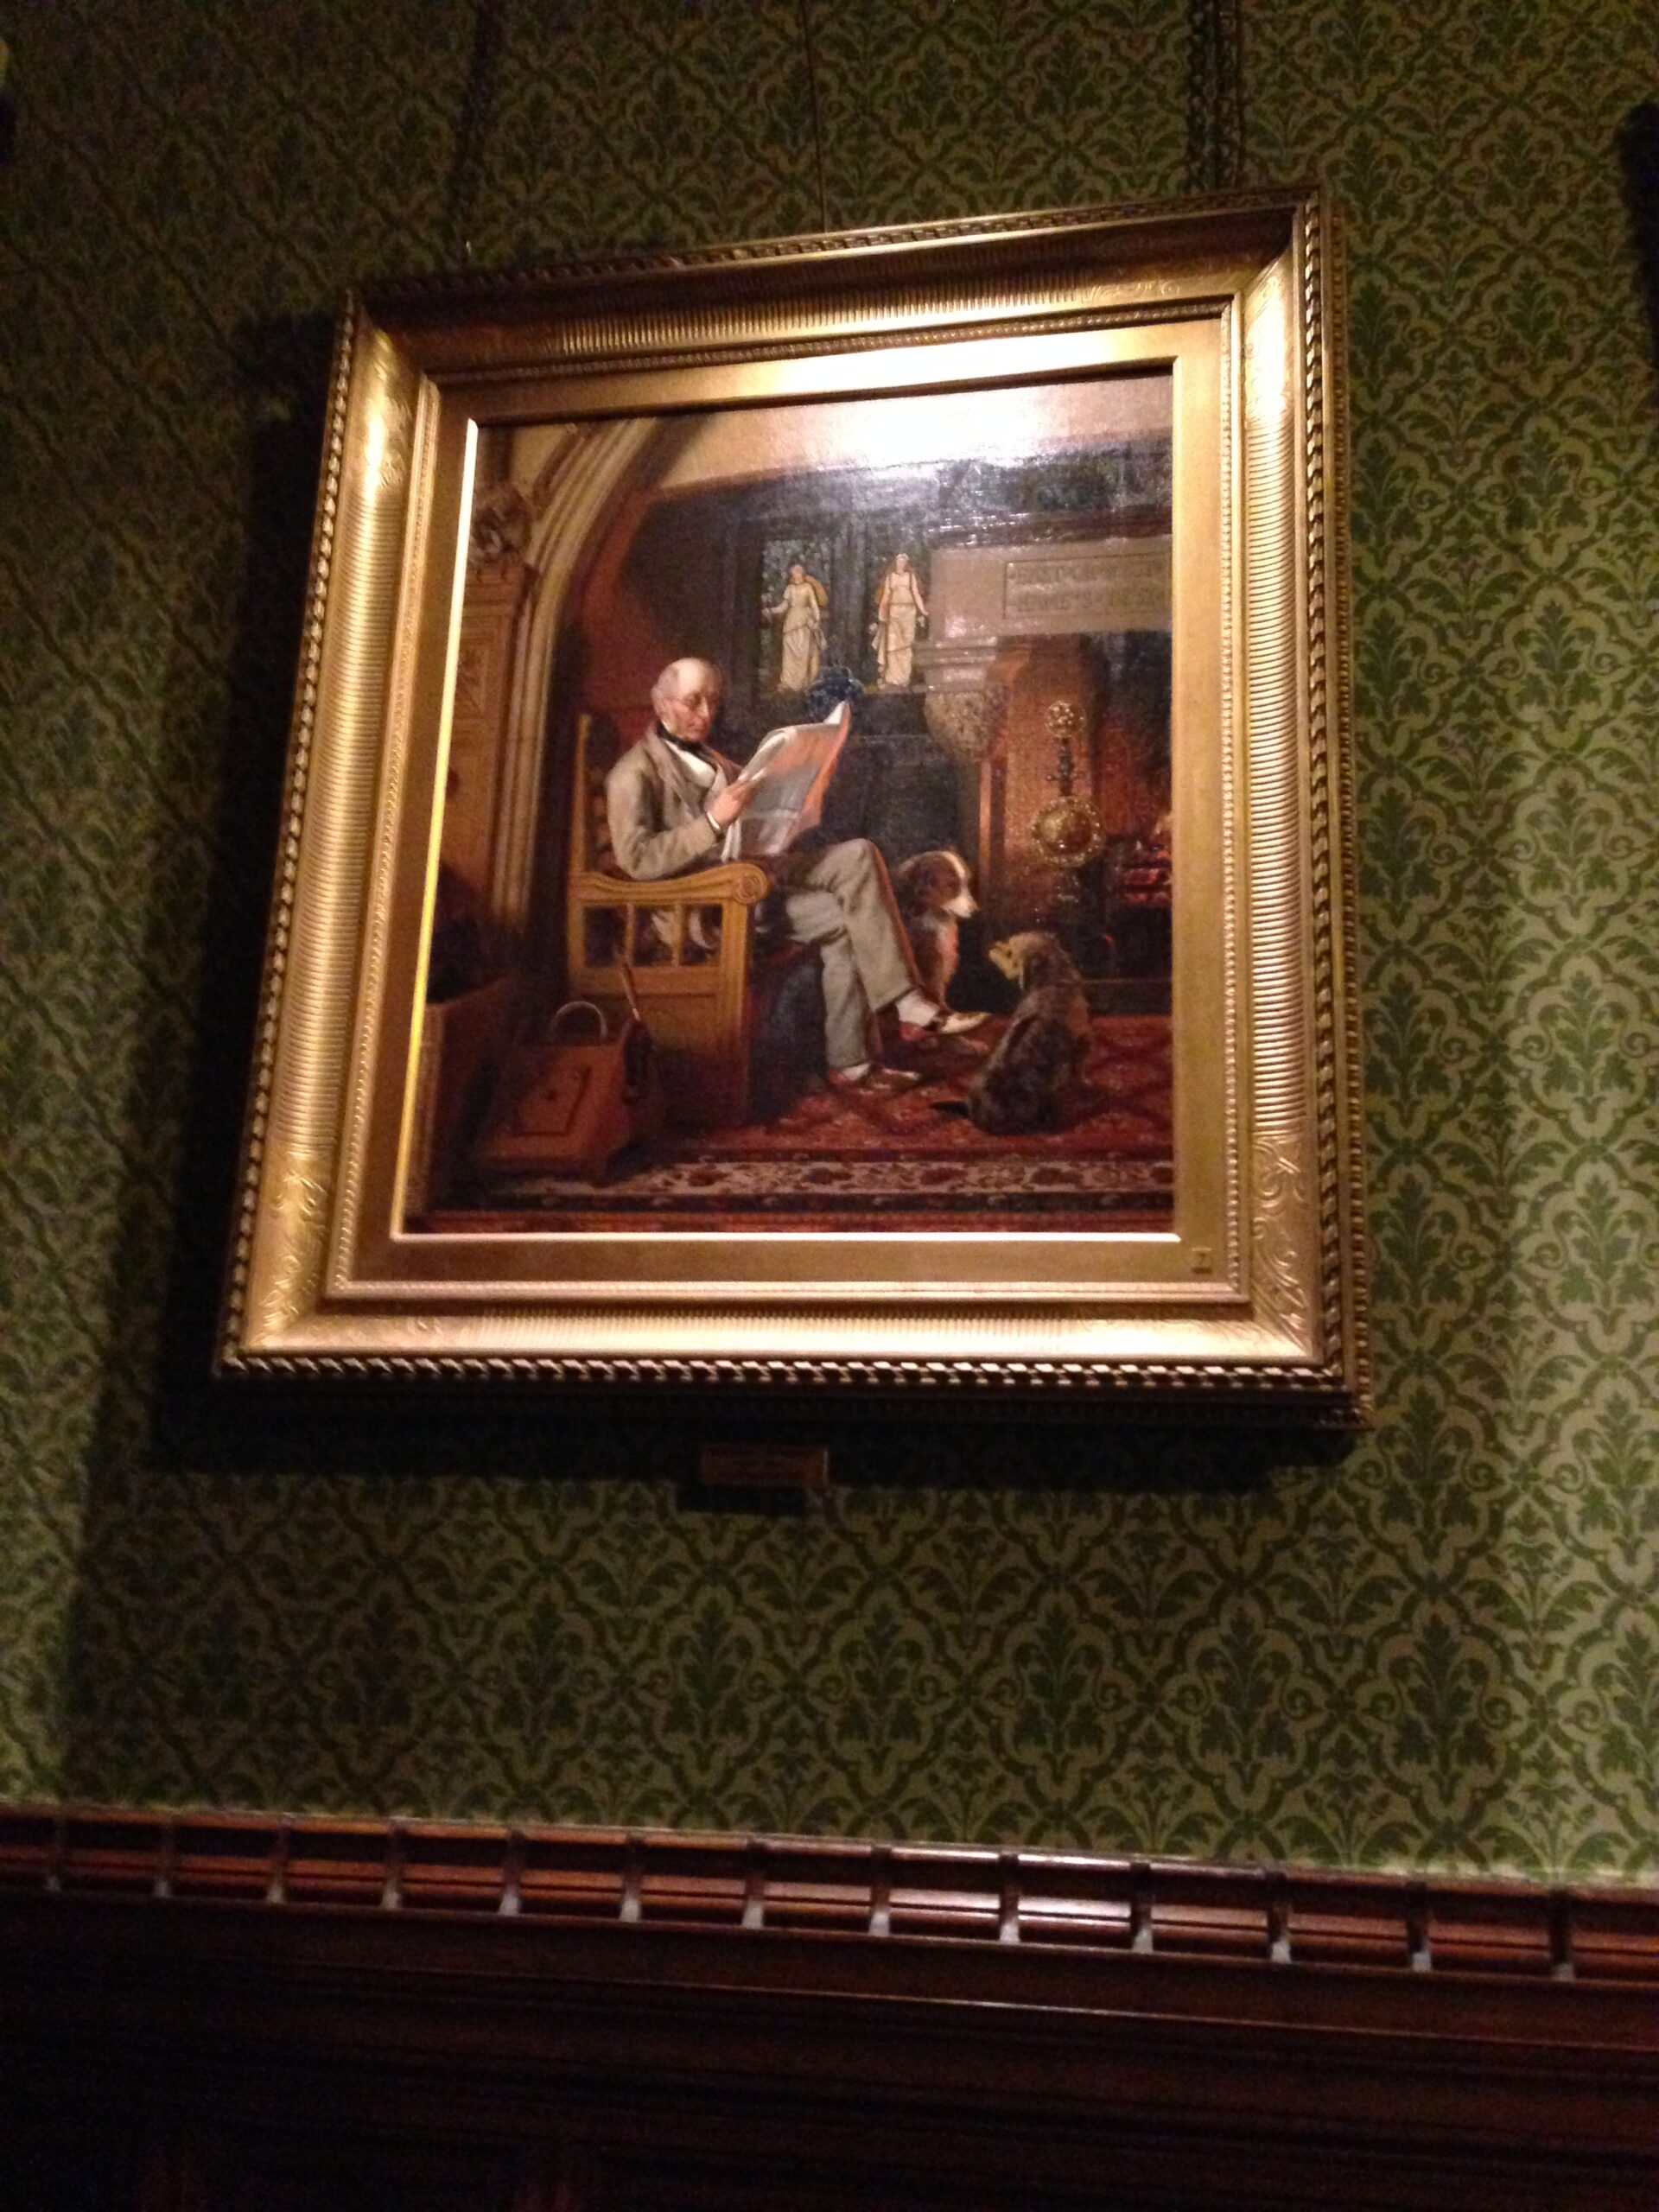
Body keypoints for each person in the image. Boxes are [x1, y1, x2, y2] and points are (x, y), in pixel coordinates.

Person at [605, 658, 984, 1096]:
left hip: (749, 877)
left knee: (860, 854)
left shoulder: (715, 761)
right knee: (845, 920)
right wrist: (712, 822)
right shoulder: (632, 773)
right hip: (703, 907)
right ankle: (868, 1045)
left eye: (712, 702)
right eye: (693, 702)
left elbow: (754, 821)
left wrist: (802, 801)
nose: (705, 714)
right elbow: (637, 860)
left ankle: (890, 1020)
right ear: (661, 704)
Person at [762, 558, 829, 693]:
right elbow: (783, 607)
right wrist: (771, 610)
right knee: (789, 655)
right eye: (794, 572)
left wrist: (816, 620)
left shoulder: (808, 588)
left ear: (802, 573)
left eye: (799, 572)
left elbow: (814, 606)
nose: (797, 574)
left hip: (804, 623)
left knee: (803, 653)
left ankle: (800, 683)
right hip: (791, 622)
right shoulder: (790, 589)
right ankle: (788, 682)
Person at [872, 551, 927, 689]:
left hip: (908, 612)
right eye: (898, 562)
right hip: (894, 612)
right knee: (893, 644)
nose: (900, 564)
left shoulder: (910, 577)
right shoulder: (891, 578)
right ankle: (893, 677)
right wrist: (882, 612)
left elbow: (916, 594)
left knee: (907, 644)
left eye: (903, 562)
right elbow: (886, 595)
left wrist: (922, 610)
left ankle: (904, 677)